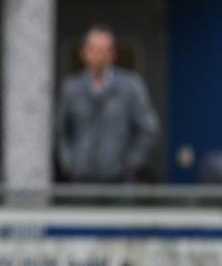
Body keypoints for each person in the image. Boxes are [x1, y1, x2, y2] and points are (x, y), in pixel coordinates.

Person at [56, 24, 158, 182]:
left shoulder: (130, 87)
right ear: (84, 53)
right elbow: (61, 131)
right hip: (80, 179)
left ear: (113, 53)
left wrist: (131, 163)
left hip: (120, 179)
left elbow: (148, 129)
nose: (100, 55)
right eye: (95, 49)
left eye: (105, 50)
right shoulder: (71, 89)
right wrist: (69, 163)